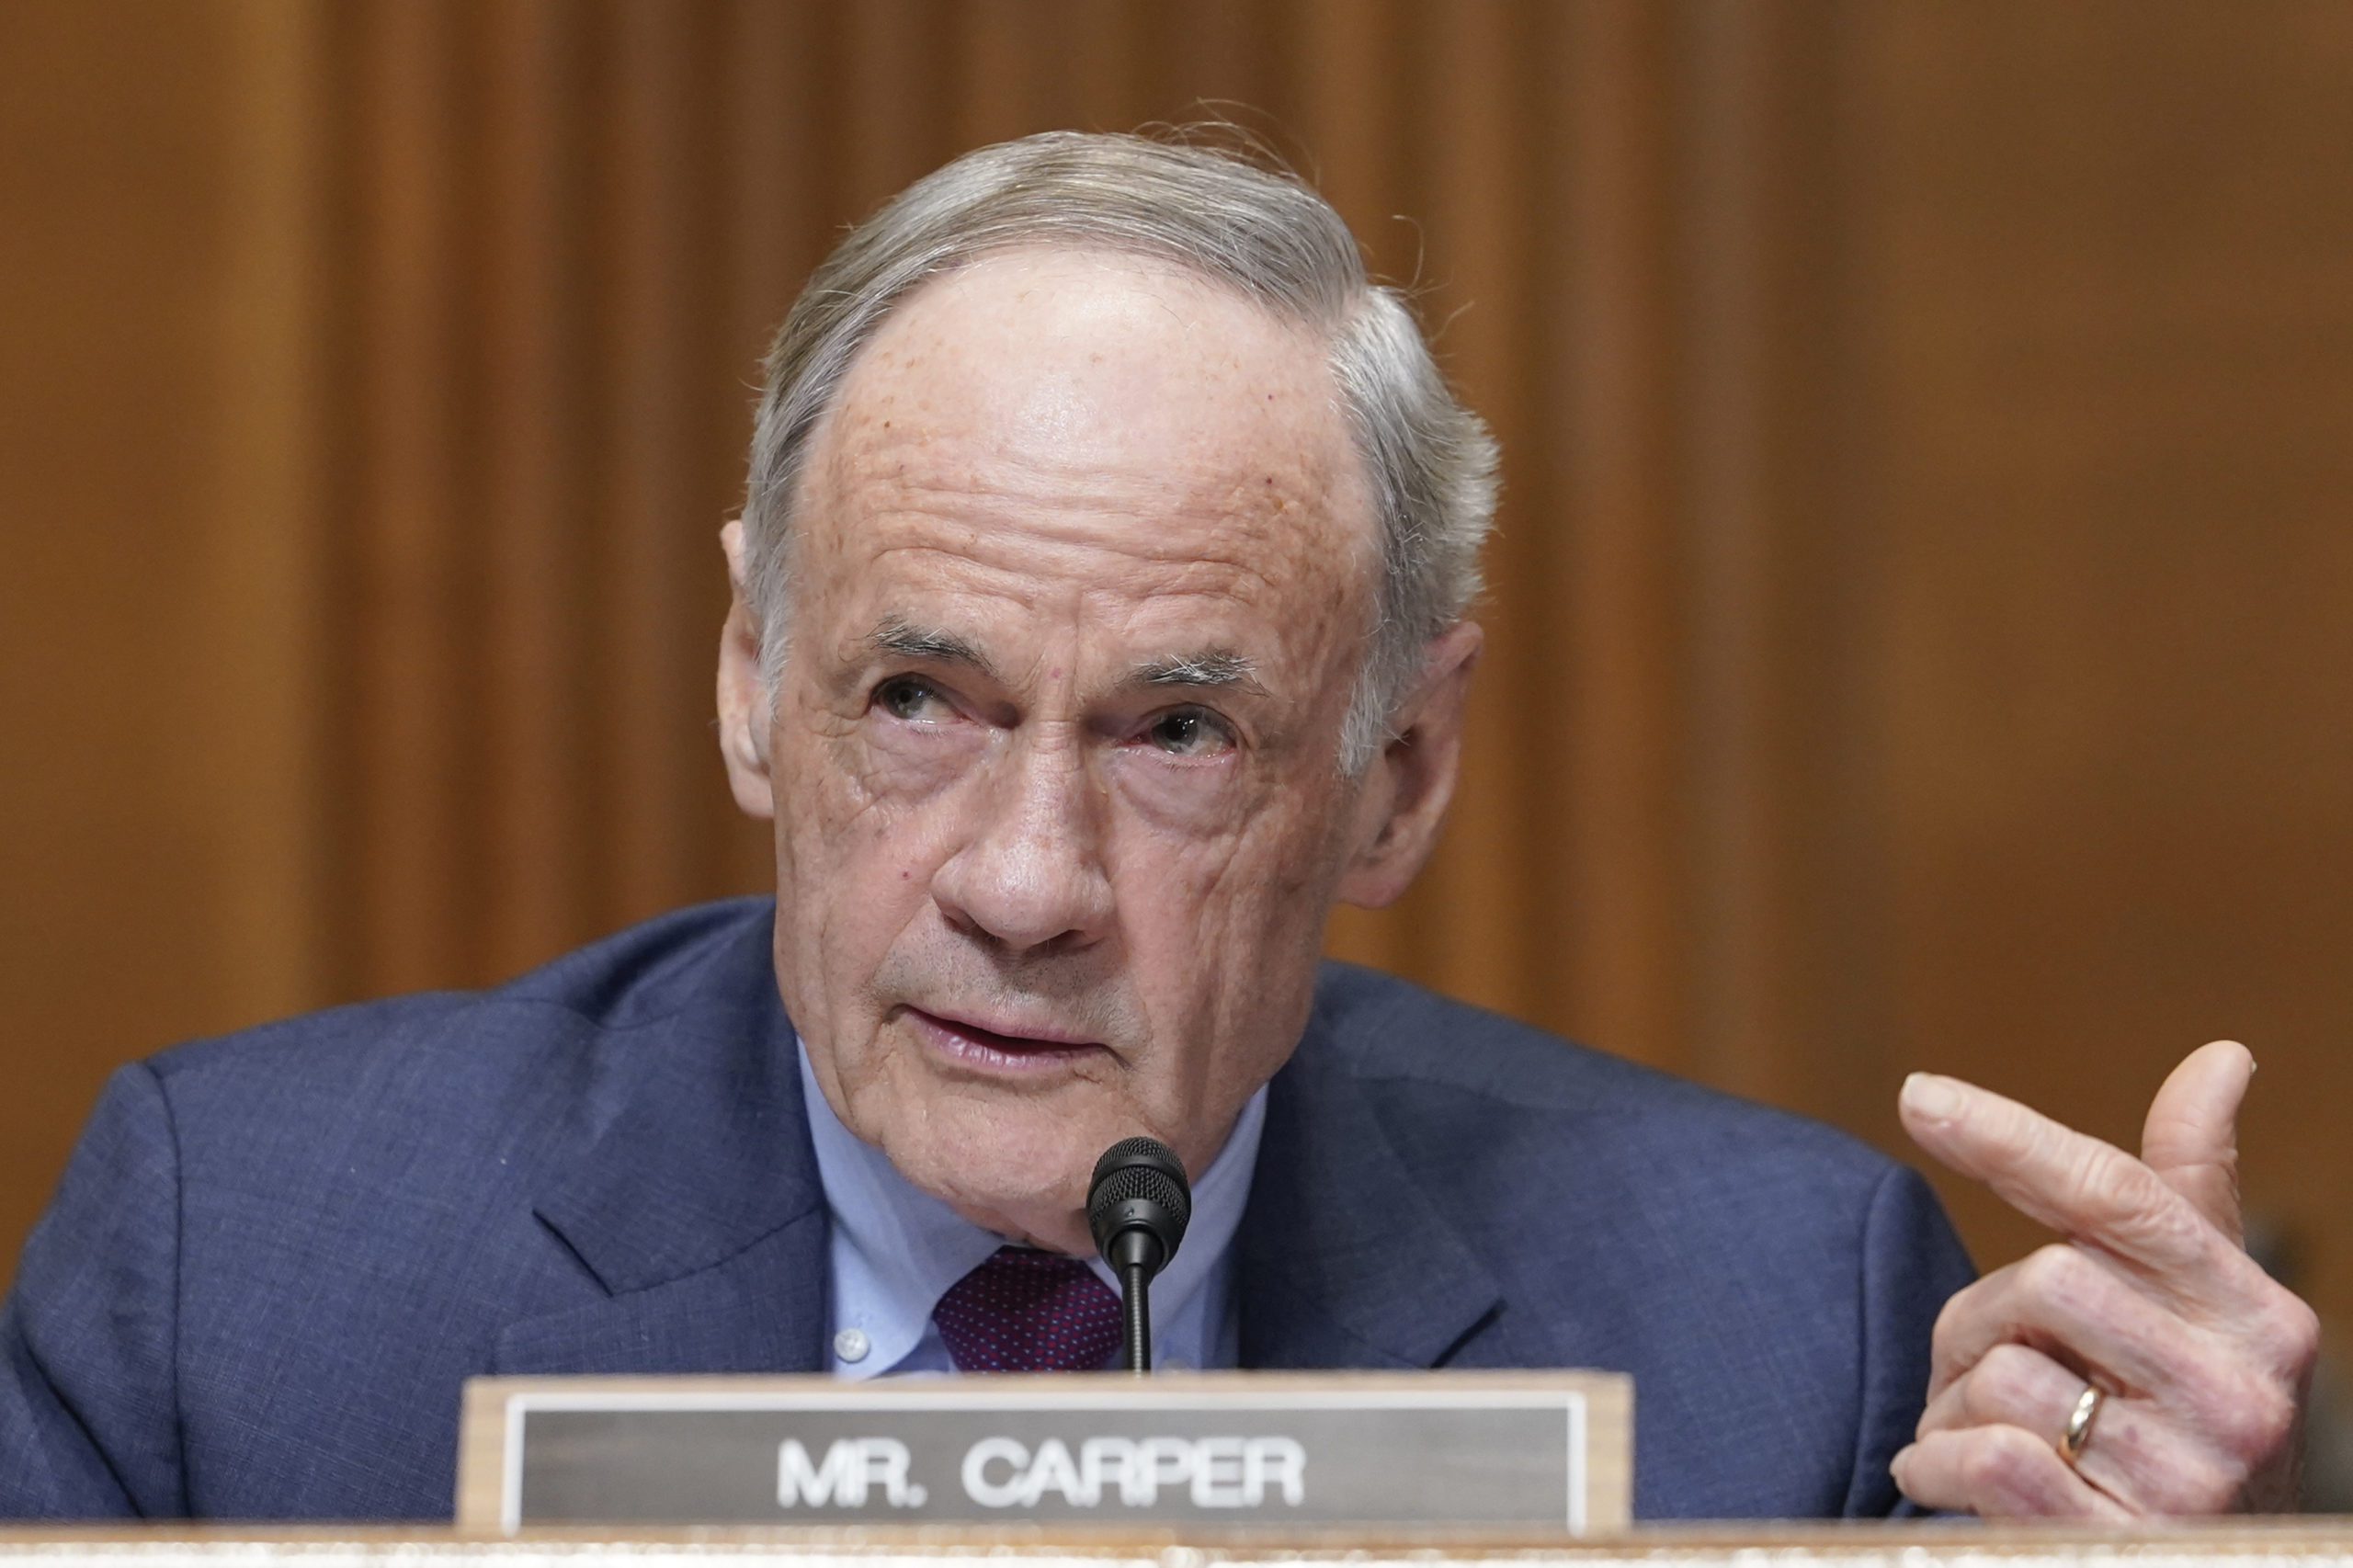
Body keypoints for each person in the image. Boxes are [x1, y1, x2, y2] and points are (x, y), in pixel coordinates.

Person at [0, 131, 2315, 1522]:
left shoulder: (1765, 1337)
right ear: (746, 680)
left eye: (1177, 733)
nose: (1022, 883)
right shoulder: (246, 1284)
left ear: (1393, 771)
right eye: (918, 697)